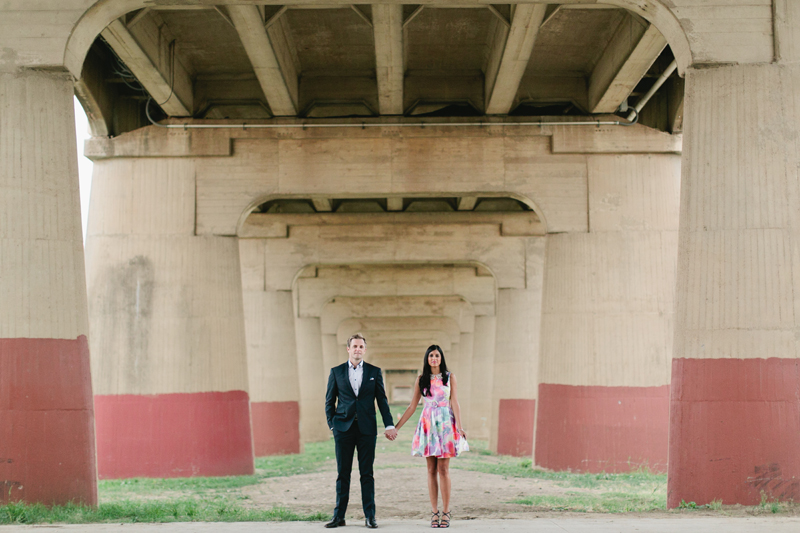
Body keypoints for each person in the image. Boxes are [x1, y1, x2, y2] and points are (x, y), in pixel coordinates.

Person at [324, 333, 397, 529]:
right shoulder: (336, 372)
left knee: (367, 474)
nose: (357, 349)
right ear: (348, 349)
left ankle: (370, 517)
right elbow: (329, 402)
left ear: (365, 350)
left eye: (361, 347)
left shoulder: (375, 371)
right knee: (343, 473)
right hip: (343, 429)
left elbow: (382, 400)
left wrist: (389, 424)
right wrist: (333, 425)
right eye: (354, 346)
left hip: (366, 429)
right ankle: (339, 516)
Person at [394, 345, 468, 528]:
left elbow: (455, 402)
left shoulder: (450, 378)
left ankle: (446, 512)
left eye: (437, 355)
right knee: (430, 470)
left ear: (441, 358)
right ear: (427, 359)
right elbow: (413, 406)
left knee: (443, 469)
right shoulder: (421, 379)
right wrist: (396, 427)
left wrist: (459, 426)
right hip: (428, 424)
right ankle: (434, 513)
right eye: (431, 355)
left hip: (445, 425)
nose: (434, 358)